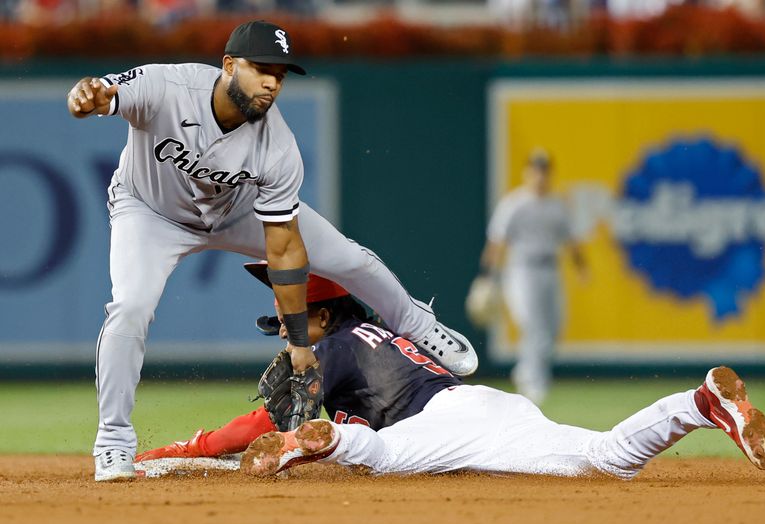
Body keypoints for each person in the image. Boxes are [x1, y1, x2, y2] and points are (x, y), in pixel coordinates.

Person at [66, 20, 478, 482]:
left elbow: (284, 250)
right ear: (227, 65)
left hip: (237, 209)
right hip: (149, 211)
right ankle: (113, 443)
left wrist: (301, 345)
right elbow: (99, 94)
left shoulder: (276, 143)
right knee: (131, 306)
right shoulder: (168, 85)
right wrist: (87, 96)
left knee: (349, 258)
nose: (271, 83)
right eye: (261, 69)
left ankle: (420, 325)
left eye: (279, 75)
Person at [135, 274, 765, 481]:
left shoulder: (328, 347)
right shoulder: (379, 335)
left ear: (322, 313)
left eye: (289, 319)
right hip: (490, 407)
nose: (282, 331)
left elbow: (256, 423)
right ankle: (698, 404)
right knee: (603, 459)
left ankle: (323, 442)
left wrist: (184, 450)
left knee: (380, 456)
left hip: (441, 425)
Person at [479, 148, 587, 404]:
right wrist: (486, 276)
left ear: (549, 173)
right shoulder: (514, 203)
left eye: (544, 170)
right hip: (521, 271)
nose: (539, 175)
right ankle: (534, 381)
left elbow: (571, 240)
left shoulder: (557, 205)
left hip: (551, 269)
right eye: (535, 169)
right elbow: (497, 241)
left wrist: (582, 268)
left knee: (554, 327)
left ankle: (524, 370)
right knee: (533, 326)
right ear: (527, 172)